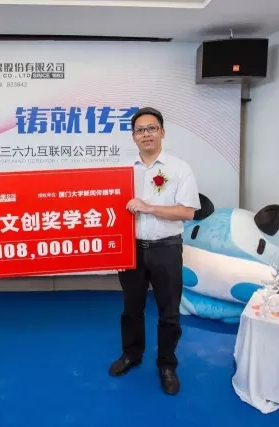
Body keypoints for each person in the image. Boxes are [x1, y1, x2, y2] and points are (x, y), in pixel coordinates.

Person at [108, 107, 200, 396]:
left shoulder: (179, 168)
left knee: (169, 312)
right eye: (140, 130)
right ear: (133, 136)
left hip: (166, 248)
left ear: (162, 132)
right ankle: (132, 354)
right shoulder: (123, 171)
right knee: (131, 308)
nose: (146, 134)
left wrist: (148, 208)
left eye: (151, 128)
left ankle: (167, 364)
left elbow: (187, 212)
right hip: (131, 250)